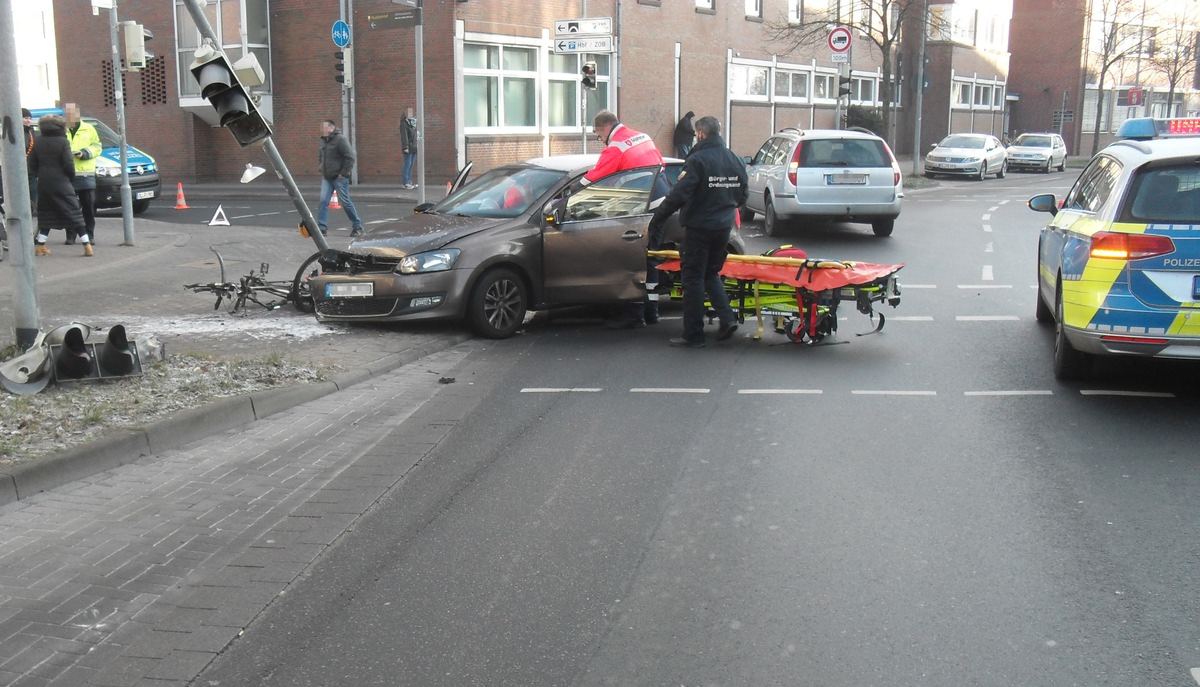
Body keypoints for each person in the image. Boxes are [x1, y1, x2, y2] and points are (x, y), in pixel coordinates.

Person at [648, 115, 748, 348]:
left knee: (692, 278)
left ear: (701, 134)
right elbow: (742, 196)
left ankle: (693, 334)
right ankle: (727, 318)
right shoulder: (735, 159)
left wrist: (658, 218)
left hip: (699, 228)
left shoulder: (698, 160)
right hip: (723, 228)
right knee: (710, 274)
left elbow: (679, 195)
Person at [578, 110, 666, 329]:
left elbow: (594, 178)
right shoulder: (642, 136)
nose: (601, 140)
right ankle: (652, 311)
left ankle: (634, 314)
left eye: (599, 136)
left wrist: (569, 193)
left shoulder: (616, 146)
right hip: (663, 200)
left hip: (643, 205)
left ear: (605, 128)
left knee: (631, 258)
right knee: (650, 257)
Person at [30, 114, 89, 257]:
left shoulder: (37, 141)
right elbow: (69, 163)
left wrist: (40, 174)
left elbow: (32, 164)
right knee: (73, 211)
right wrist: (69, 177)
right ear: (60, 126)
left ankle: (40, 246)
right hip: (62, 182)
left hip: (44, 183)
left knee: (46, 214)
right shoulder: (63, 141)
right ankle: (87, 245)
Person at [318, 119, 365, 237]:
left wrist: (343, 173)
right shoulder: (324, 141)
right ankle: (321, 227)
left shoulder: (340, 140)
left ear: (331, 128)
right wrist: (321, 168)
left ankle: (357, 226)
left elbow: (350, 157)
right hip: (327, 177)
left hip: (339, 178)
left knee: (345, 202)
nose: (321, 130)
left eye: (324, 127)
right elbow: (321, 157)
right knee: (323, 201)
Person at [64, 102, 100, 245]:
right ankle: (71, 235)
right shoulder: (63, 129)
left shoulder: (88, 129)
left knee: (88, 207)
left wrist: (84, 153)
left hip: (86, 174)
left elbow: (97, 146)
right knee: (69, 207)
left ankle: (89, 235)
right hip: (68, 174)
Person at [23, 108, 38, 213]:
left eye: (29, 118)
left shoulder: (32, 133)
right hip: (18, 172)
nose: (28, 120)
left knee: (33, 196)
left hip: (31, 171)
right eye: (25, 118)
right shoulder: (17, 132)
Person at [400, 107, 418, 190]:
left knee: (411, 165)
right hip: (408, 147)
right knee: (407, 164)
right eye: (408, 112)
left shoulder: (414, 123)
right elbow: (404, 136)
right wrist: (405, 147)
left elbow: (417, 135)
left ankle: (409, 181)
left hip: (414, 147)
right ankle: (405, 182)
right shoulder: (404, 124)